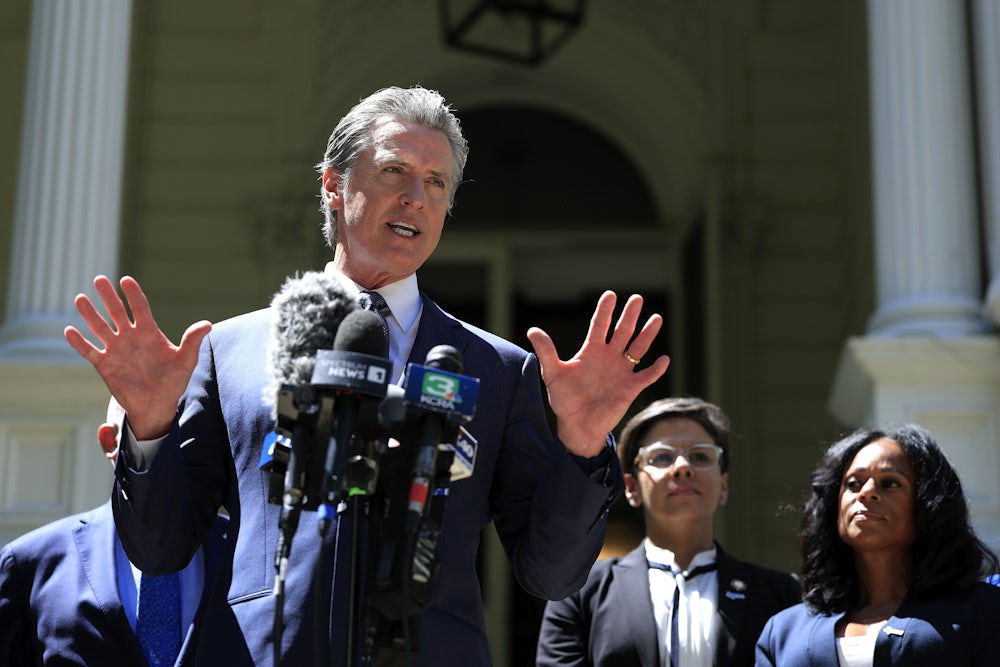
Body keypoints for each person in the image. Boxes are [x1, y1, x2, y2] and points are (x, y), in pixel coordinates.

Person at [63, 85, 671, 665]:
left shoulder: (500, 369)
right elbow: (160, 547)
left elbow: (552, 574)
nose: (416, 197)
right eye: (393, 170)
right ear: (334, 184)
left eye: (436, 182)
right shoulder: (230, 351)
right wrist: (150, 426)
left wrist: (581, 443)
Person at [536, 396, 800, 667]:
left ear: (723, 486)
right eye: (662, 456)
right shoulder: (580, 592)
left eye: (700, 456)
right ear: (631, 487)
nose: (683, 467)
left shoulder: (782, 594)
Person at [0, 397, 230, 666]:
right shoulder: (32, 562)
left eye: (181, 431)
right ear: (111, 441)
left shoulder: (246, 551)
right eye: (148, 428)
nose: (164, 447)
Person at [755, 423, 1000, 667]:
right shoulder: (782, 632)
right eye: (853, 483)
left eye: (890, 483)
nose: (866, 492)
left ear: (928, 505)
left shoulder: (984, 611)